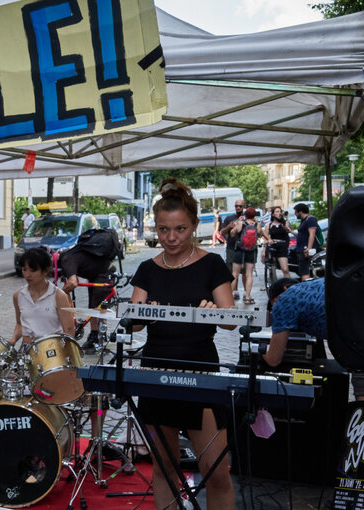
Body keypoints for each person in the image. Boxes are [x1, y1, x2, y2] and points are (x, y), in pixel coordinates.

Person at [129, 178, 235, 510]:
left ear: (194, 227)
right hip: (156, 368)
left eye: (180, 229)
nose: (171, 238)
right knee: (164, 468)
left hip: (200, 368)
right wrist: (143, 313)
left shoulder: (211, 263)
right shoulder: (147, 269)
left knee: (217, 472)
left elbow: (231, 319)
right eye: (163, 230)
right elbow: (131, 321)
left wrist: (213, 311)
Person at [59, 228, 120, 352]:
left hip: (104, 272)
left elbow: (72, 283)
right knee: (93, 306)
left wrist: (57, 295)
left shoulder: (66, 259)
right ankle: (94, 334)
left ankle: (98, 338)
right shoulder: (70, 255)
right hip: (96, 272)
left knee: (97, 308)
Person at [9, 247, 75, 348]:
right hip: (26, 350)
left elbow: (69, 331)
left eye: (33, 270)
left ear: (45, 270)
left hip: (50, 351)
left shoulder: (58, 296)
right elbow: (20, 324)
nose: (27, 274)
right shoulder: (18, 295)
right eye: (24, 269)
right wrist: (13, 340)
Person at [230, 207, 260, 304]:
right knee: (249, 274)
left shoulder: (241, 223)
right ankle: (247, 297)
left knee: (235, 274)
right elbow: (260, 233)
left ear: (245, 215)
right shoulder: (257, 224)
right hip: (251, 251)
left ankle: (229, 296)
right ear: (254, 215)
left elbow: (233, 233)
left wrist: (235, 226)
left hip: (239, 250)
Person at [218, 199, 245, 299]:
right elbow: (222, 233)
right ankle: (234, 291)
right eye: (236, 206)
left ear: (243, 207)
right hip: (231, 248)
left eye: (240, 206)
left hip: (245, 249)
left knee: (245, 271)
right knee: (231, 271)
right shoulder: (229, 218)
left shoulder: (247, 218)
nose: (238, 208)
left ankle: (247, 293)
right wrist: (229, 226)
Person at [292, 203, 320, 281]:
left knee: (305, 271)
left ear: (300, 212)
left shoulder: (310, 219)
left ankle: (306, 288)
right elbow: (302, 235)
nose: (295, 214)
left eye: (296, 212)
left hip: (305, 250)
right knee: (303, 270)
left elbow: (312, 234)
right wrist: (291, 231)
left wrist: (309, 248)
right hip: (301, 249)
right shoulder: (304, 220)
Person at [263, 206, 292, 279]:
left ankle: (288, 283)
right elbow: (265, 235)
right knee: (272, 266)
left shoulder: (284, 223)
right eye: (277, 211)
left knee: (285, 269)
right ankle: (272, 281)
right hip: (273, 245)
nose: (279, 213)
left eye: (280, 211)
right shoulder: (269, 225)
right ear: (273, 214)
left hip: (282, 246)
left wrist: (286, 218)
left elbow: (287, 230)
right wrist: (268, 240)